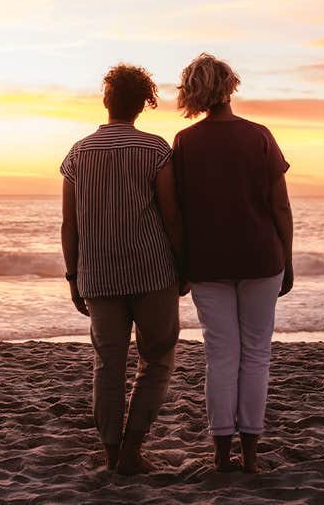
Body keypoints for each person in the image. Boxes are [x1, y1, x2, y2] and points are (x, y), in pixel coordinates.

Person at [60, 63, 184, 475]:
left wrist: (73, 276)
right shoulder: (155, 150)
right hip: (153, 272)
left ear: (106, 100)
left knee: (107, 364)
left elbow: (69, 223)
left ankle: (113, 452)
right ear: (144, 104)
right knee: (157, 359)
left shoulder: (78, 153)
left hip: (99, 275)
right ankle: (131, 449)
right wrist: (183, 268)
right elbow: (171, 218)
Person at [172, 53, 293, 473]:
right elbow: (280, 207)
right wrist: (288, 260)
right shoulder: (259, 136)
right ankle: (252, 455)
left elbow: (180, 210)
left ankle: (222, 453)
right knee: (256, 355)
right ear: (230, 87)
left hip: (207, 262)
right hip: (261, 256)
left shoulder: (186, 142)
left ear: (195, 92)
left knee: (220, 355)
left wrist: (181, 265)